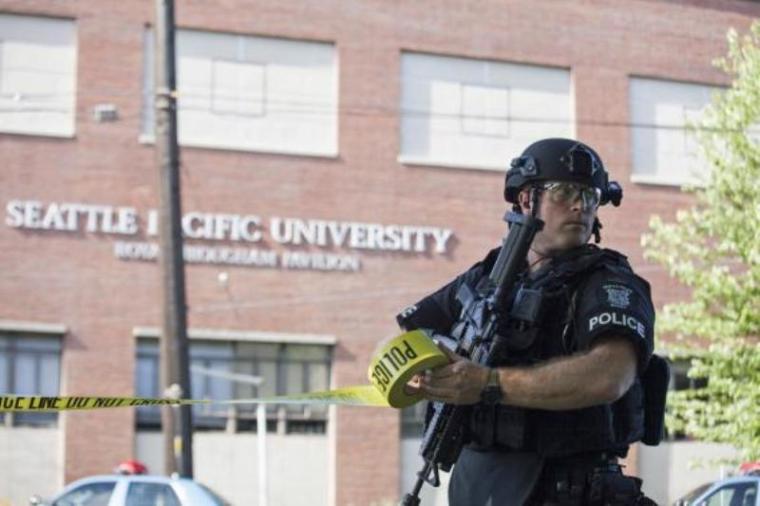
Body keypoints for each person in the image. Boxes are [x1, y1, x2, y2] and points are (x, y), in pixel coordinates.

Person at [398, 138, 659, 505]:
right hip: (479, 483)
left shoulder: (609, 280)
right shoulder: (486, 276)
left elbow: (609, 375)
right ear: (525, 199)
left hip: (568, 489)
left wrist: (488, 383)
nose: (579, 205)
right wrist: (417, 372)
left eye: (589, 196)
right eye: (565, 191)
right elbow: (410, 332)